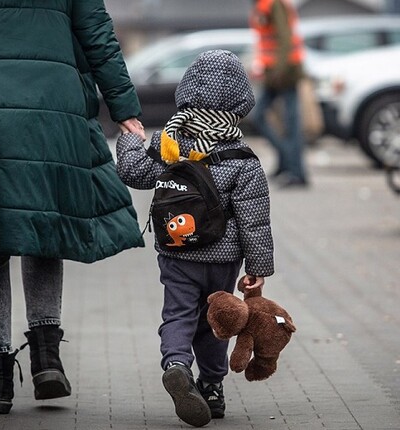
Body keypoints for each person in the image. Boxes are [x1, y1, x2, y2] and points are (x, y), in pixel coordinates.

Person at [0, 0, 146, 414]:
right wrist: (123, 106)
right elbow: (97, 32)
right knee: (43, 226)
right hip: (53, 106)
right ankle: (46, 355)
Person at [116, 50, 274, 427]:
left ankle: (175, 365)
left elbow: (134, 172)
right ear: (240, 101)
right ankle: (212, 388)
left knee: (178, 314)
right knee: (216, 320)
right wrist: (258, 269)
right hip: (222, 260)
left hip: (177, 252)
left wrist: (130, 140)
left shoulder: (169, 145)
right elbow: (255, 220)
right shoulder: (243, 158)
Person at [250, 0, 308, 187]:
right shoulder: (263, 5)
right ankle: (287, 164)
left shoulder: (273, 4)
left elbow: (285, 38)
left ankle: (296, 172)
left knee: (290, 124)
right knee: (271, 119)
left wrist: (277, 71)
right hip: (275, 71)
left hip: (284, 72)